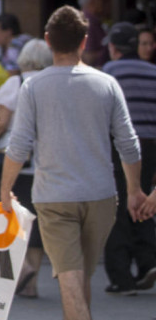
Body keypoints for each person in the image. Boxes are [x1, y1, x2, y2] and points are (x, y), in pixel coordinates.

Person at [0, 5, 145, 320]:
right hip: (101, 195)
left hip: (54, 196)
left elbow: (19, 145)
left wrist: (5, 190)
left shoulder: (33, 86)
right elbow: (128, 142)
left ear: (48, 40)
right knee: (79, 278)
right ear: (84, 41)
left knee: (70, 278)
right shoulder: (106, 84)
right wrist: (134, 189)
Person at [0, 38, 53, 298]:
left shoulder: (14, 83)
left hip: (13, 160)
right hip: (44, 163)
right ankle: (32, 284)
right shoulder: (53, 84)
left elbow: (2, 122)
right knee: (34, 221)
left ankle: (15, 272)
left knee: (5, 216)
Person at [101, 22, 156, 294]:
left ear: (113, 47)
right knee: (143, 199)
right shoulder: (153, 73)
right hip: (150, 145)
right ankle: (148, 261)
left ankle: (121, 276)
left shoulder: (108, 74)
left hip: (118, 146)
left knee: (118, 205)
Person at [79, 0, 109, 68]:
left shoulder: (84, 19)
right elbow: (88, 57)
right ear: (93, 1)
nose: (105, 4)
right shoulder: (88, 22)